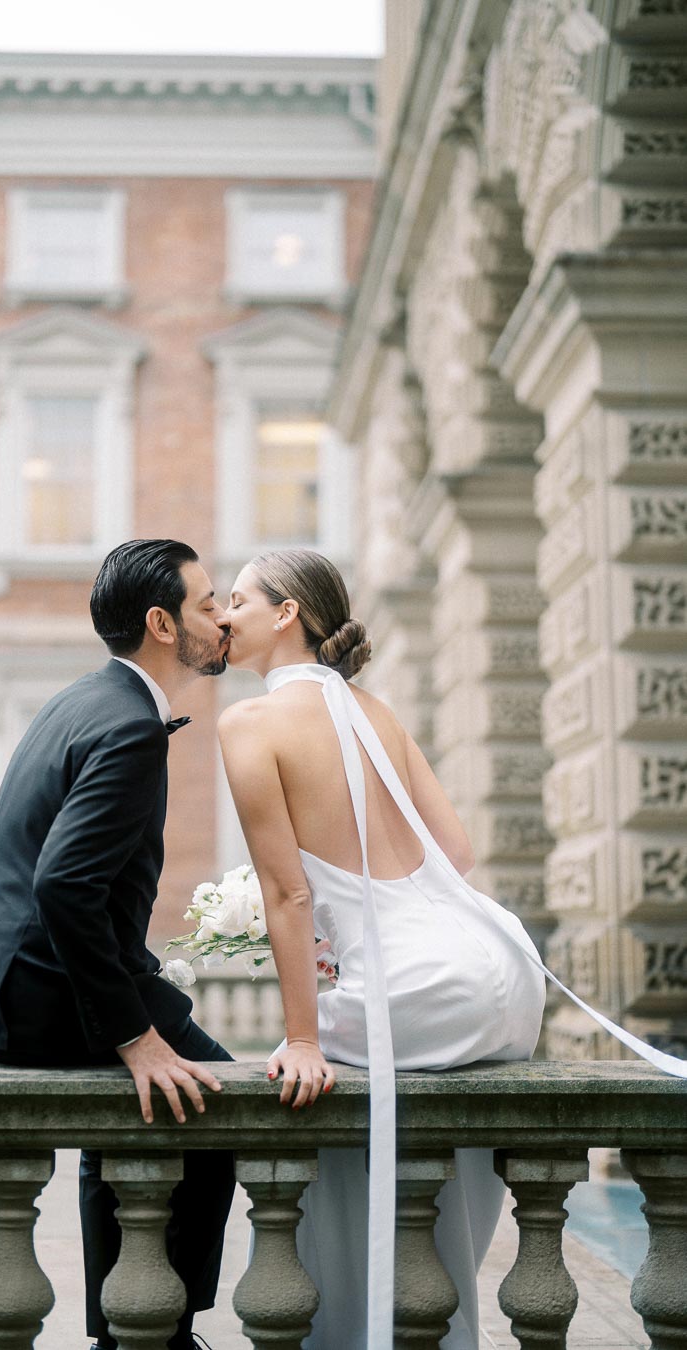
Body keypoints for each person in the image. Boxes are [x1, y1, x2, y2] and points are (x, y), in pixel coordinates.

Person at [217, 547, 687, 1350]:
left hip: (417, 988)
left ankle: (361, 1325)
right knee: (437, 1132)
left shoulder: (249, 721)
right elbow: (456, 852)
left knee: (315, 1112)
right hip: (497, 968)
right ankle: (435, 1315)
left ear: (286, 612)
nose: (224, 616)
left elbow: (288, 893)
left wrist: (302, 1037)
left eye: (237, 599)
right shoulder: (377, 712)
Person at [0, 538, 235, 1350]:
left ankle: (127, 1323)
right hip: (23, 995)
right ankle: (153, 1331)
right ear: (162, 624)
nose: (223, 616)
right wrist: (134, 1036)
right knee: (219, 1099)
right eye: (207, 603)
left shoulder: (83, 698)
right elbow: (63, 886)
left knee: (160, 1081)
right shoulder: (130, 728)